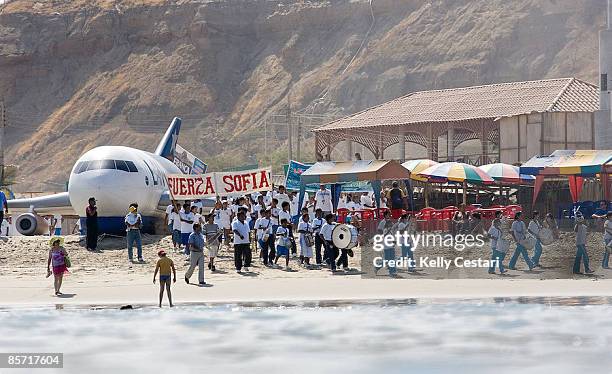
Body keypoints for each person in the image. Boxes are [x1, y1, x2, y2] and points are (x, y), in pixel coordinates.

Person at [375, 211, 396, 276]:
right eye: (388, 214)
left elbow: (393, 231)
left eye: (390, 214)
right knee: (387, 259)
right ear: (385, 215)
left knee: (392, 257)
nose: (389, 215)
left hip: (391, 241)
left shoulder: (391, 222)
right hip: (386, 242)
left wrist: (394, 239)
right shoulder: (382, 222)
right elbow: (379, 230)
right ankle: (377, 267)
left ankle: (392, 271)